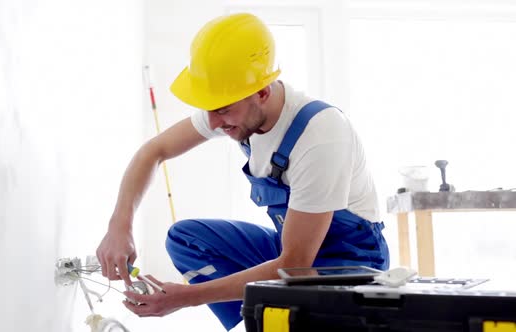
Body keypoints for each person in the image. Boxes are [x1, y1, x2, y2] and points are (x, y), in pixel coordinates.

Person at [96, 12, 389, 331]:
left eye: (222, 110)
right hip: (292, 250)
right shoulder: (237, 110)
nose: (213, 123)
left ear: (262, 92)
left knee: (297, 300)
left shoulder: (320, 134)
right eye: (210, 108)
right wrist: (119, 226)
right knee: (186, 239)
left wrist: (184, 298)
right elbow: (152, 151)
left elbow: (295, 265)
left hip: (346, 266)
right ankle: (254, 324)